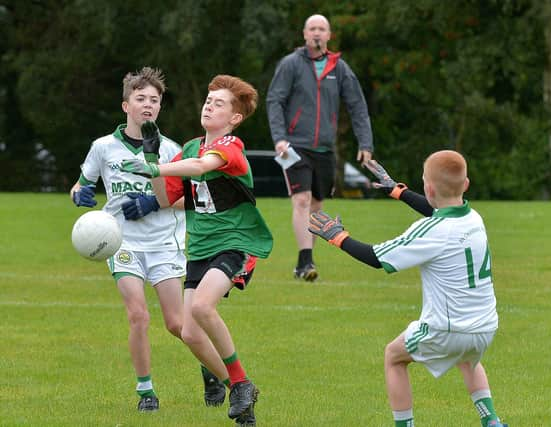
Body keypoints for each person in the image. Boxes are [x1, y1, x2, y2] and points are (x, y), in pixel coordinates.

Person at [308, 151, 507, 427]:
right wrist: (398, 192)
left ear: (428, 187)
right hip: (485, 327)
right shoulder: (473, 217)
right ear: (466, 185)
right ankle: (492, 421)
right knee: (467, 359)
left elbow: (378, 258)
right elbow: (438, 209)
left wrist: (337, 236)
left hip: (447, 329)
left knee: (394, 356)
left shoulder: (430, 230)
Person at [120, 74, 273, 426]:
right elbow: (164, 198)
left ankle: (241, 384)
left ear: (234, 117)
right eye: (208, 101)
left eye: (219, 104)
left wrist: (154, 166)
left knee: (203, 307)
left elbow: (203, 167)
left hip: (235, 241)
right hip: (200, 247)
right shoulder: (187, 149)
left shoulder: (230, 146)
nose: (209, 106)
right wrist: (151, 156)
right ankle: (241, 392)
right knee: (189, 333)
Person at [70, 67, 225, 412]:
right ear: (126, 105)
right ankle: (146, 393)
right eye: (141, 99)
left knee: (178, 324)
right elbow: (81, 184)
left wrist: (155, 201)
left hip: (163, 242)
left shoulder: (170, 150)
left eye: (154, 100)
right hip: (120, 243)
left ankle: (212, 370)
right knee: (138, 315)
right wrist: (79, 195)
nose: (148, 105)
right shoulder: (103, 147)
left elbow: (197, 197)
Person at [266, 13, 374, 282]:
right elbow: (274, 100)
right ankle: (306, 262)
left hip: (325, 149)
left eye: (321, 29)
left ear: (329, 35)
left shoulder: (339, 68)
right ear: (304, 34)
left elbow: (358, 107)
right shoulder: (290, 64)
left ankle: (305, 263)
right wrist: (279, 138)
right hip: (293, 146)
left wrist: (366, 143)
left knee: (316, 204)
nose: (316, 33)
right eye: (312, 28)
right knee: (301, 200)